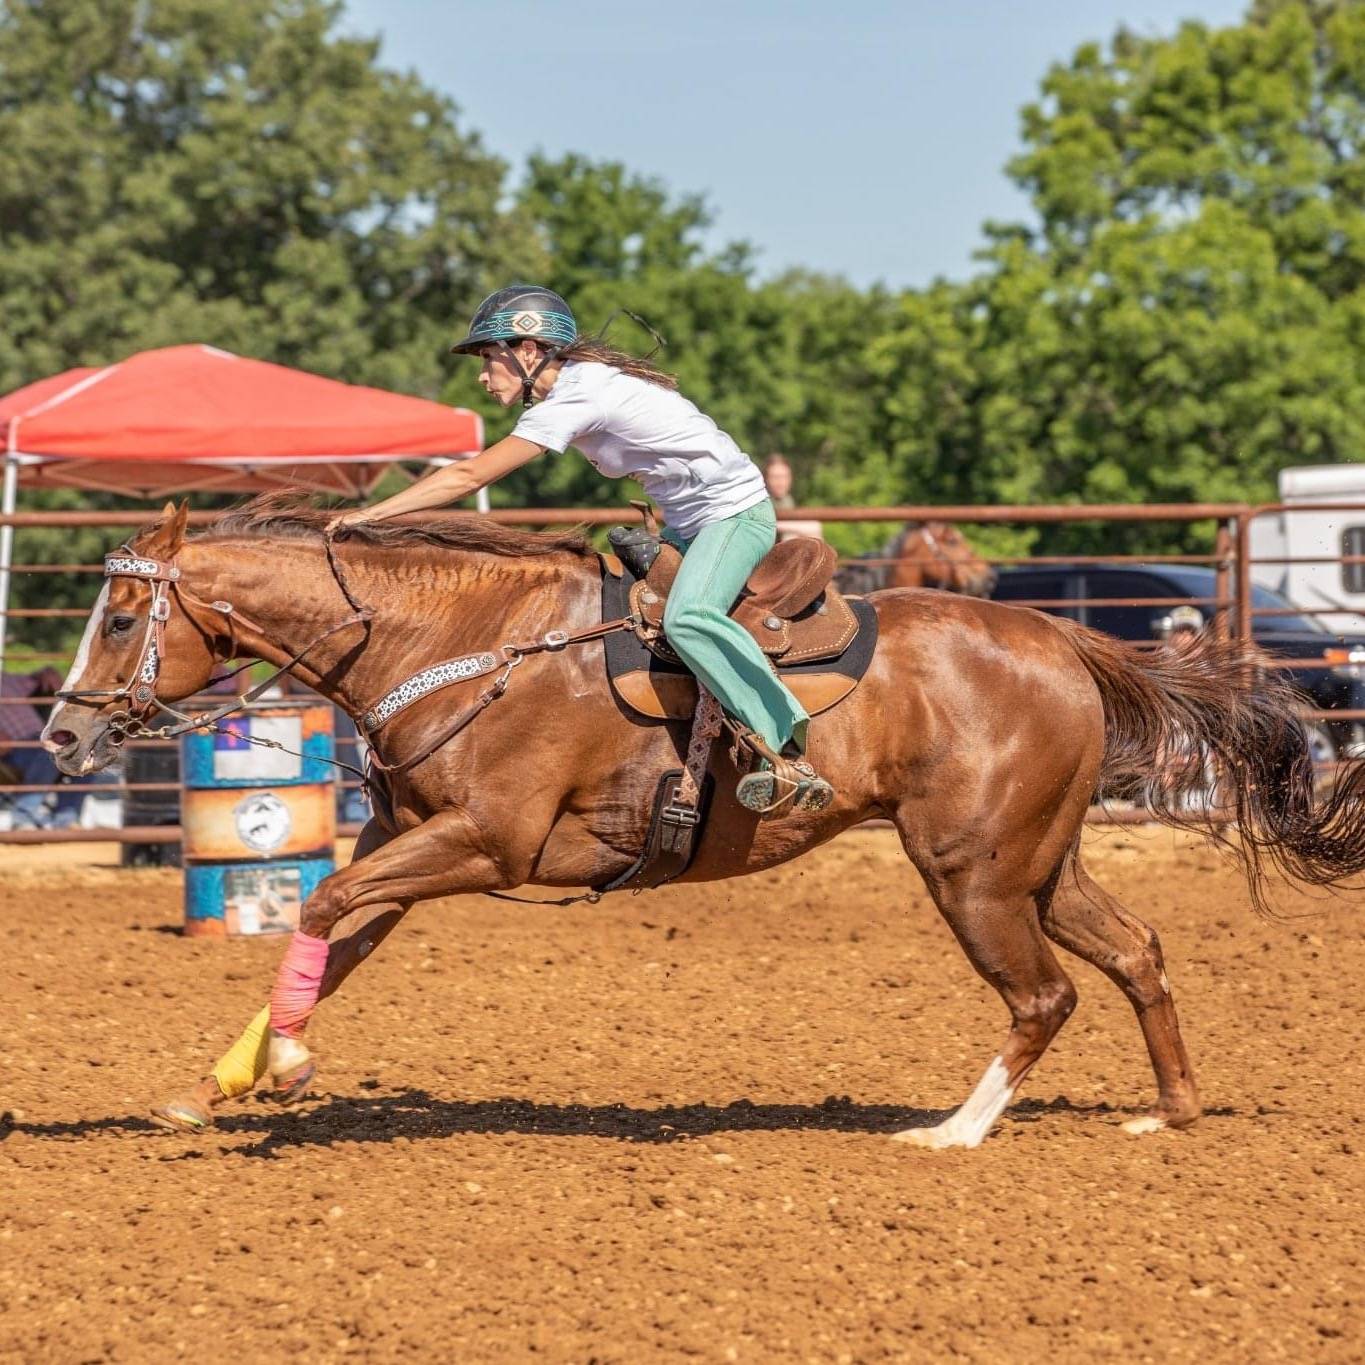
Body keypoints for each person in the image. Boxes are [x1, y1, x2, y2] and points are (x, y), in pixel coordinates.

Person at [329, 284, 831, 813]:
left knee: (687, 620)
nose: (482, 375)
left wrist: (368, 515)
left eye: (488, 358)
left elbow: (472, 473)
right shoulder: (577, 387)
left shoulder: (577, 396)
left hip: (734, 517)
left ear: (528, 351)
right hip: (690, 525)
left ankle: (786, 743)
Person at [763, 453, 824, 543]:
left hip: (780, 544)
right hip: (766, 552)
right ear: (765, 479)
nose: (781, 482)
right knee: (808, 529)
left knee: (807, 531)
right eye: (775, 477)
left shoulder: (787, 500)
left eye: (784, 477)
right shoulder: (760, 501)